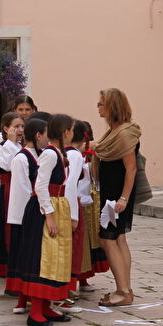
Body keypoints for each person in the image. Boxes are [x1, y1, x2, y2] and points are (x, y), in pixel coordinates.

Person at [94, 89, 140, 307]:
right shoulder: (112, 132)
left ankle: (123, 291)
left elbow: (131, 169)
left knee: (109, 238)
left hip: (117, 196)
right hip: (110, 193)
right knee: (118, 238)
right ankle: (125, 288)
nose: (98, 107)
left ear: (112, 106)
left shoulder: (124, 134)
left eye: (102, 104)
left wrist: (123, 198)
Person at [5, 118, 48, 315]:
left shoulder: (38, 155)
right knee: (25, 259)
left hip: (32, 213)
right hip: (25, 216)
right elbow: (22, 190)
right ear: (37, 135)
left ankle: (27, 298)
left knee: (31, 259)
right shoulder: (21, 159)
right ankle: (22, 299)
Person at [0, 112, 24, 278]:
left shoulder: (24, 147)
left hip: (20, 192)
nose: (20, 130)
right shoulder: (0, 147)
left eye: (22, 126)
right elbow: (7, 165)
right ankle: (4, 265)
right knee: (4, 229)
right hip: (6, 192)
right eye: (16, 127)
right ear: (6, 129)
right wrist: (12, 143)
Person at [63, 120, 91, 305]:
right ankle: (68, 287)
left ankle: (69, 287)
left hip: (70, 204)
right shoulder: (73, 155)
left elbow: (71, 184)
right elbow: (70, 184)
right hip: (70, 205)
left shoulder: (71, 155)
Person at [79, 121, 108, 291]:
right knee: (81, 242)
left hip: (94, 201)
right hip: (81, 203)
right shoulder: (73, 155)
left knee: (92, 241)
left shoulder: (95, 153)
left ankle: (85, 279)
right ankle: (78, 278)